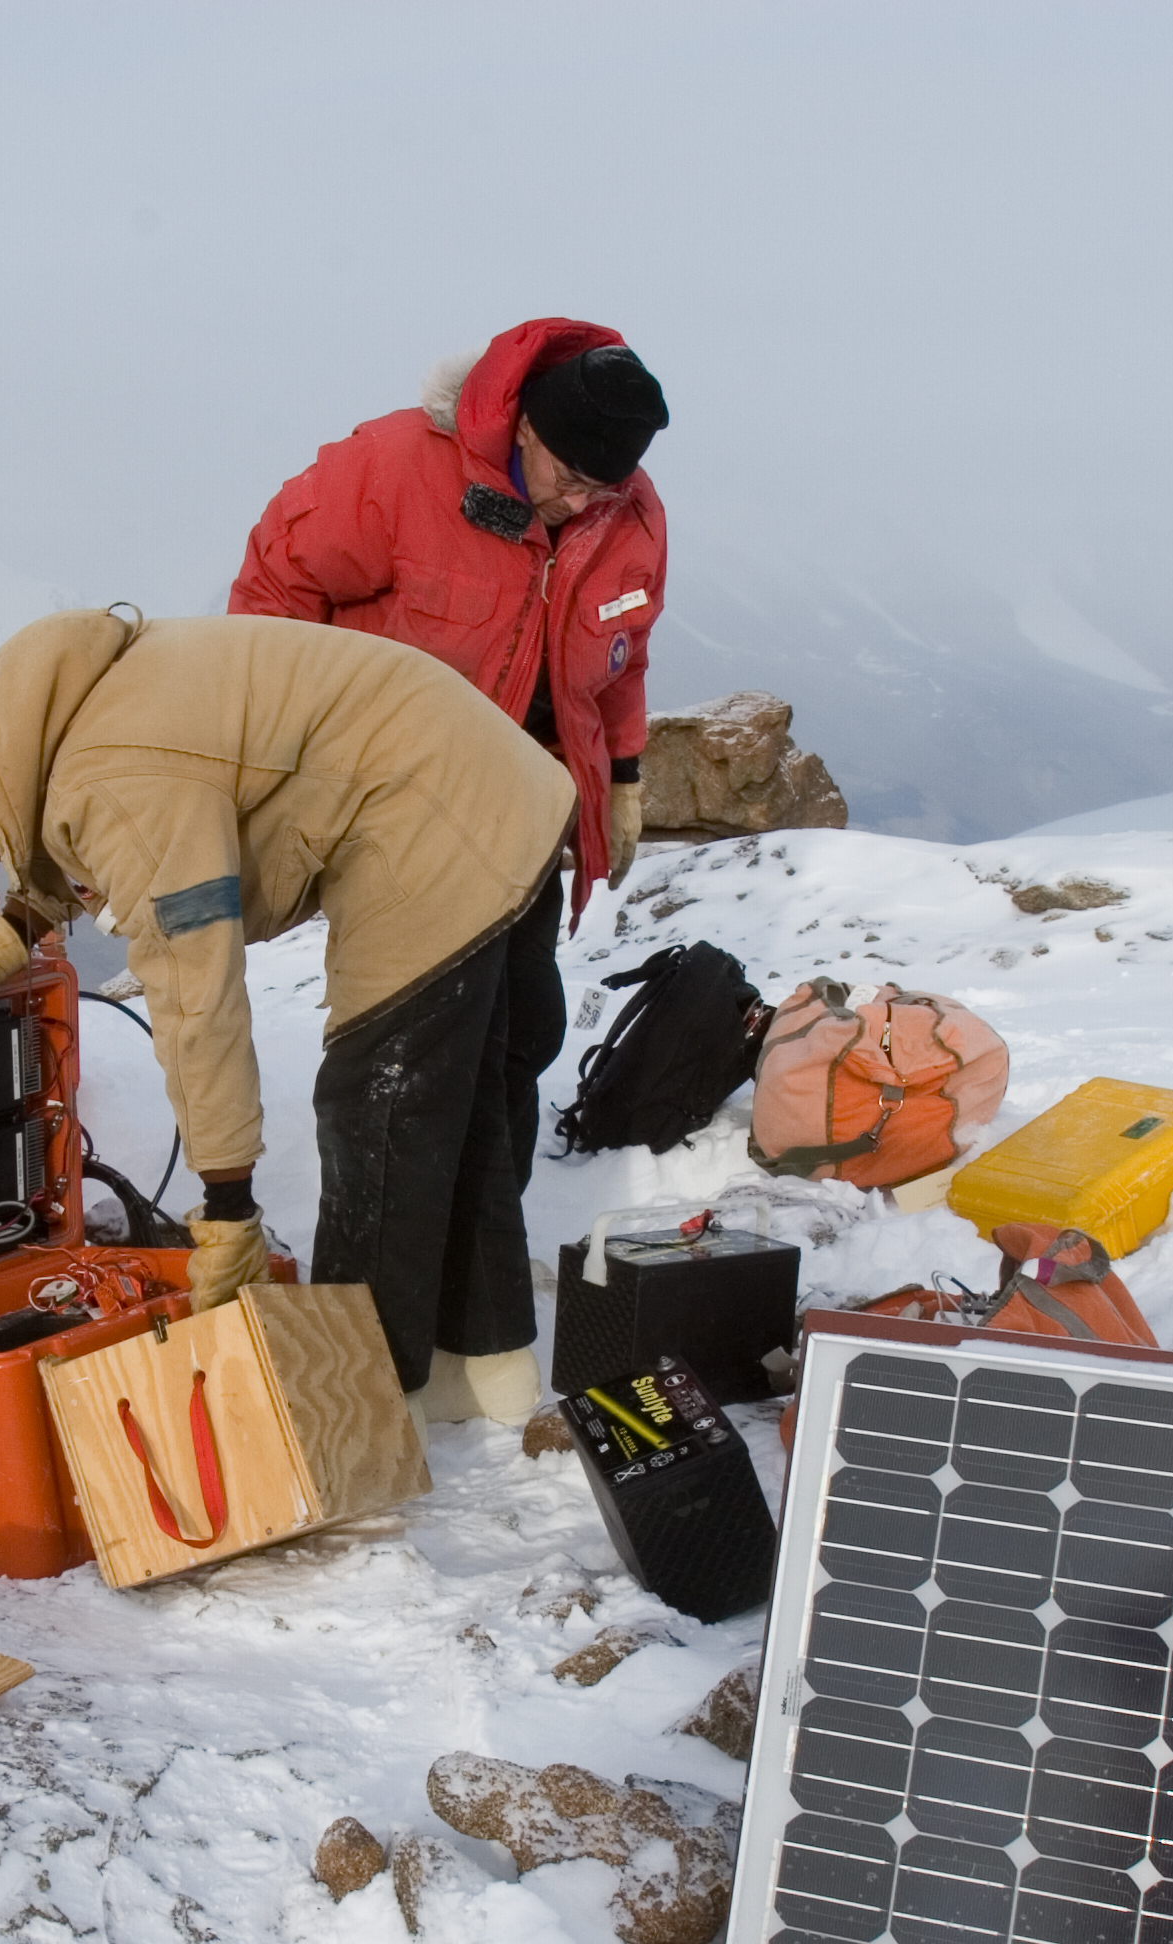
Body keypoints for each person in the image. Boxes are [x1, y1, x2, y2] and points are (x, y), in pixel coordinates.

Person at [0, 610, 571, 1415]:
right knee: (455, 1097)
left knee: (379, 1104)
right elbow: (81, 824)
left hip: (431, 810)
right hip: (501, 784)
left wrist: (227, 1204)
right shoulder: (60, 709)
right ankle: (485, 1369)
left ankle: (359, 1408)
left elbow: (196, 991)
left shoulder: (116, 777)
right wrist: (11, 933)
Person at [223, 318, 668, 1423]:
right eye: (563, 478)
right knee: (402, 1082)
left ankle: (471, 1337)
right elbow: (271, 596)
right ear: (520, 423)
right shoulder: (391, 470)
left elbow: (618, 654)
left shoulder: (625, 511)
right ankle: (370, 1377)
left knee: (509, 1052)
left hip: (526, 810)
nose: (573, 506)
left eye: (599, 490)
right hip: (402, 812)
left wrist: (621, 771)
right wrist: (296, 763)